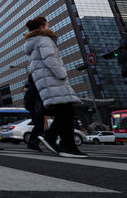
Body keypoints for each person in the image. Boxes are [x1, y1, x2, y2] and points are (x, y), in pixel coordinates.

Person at [24, 16, 86, 158]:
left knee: (64, 112)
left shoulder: (33, 42)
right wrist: (62, 74)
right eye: (47, 24)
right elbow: (50, 59)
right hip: (53, 80)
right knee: (66, 112)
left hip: (46, 82)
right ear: (41, 26)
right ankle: (65, 145)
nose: (49, 26)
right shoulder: (44, 39)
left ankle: (57, 140)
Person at [23, 75, 44, 152]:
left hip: (35, 111)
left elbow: (27, 103)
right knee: (41, 126)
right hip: (38, 111)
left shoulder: (30, 88)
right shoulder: (34, 88)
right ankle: (33, 142)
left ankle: (33, 142)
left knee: (39, 126)